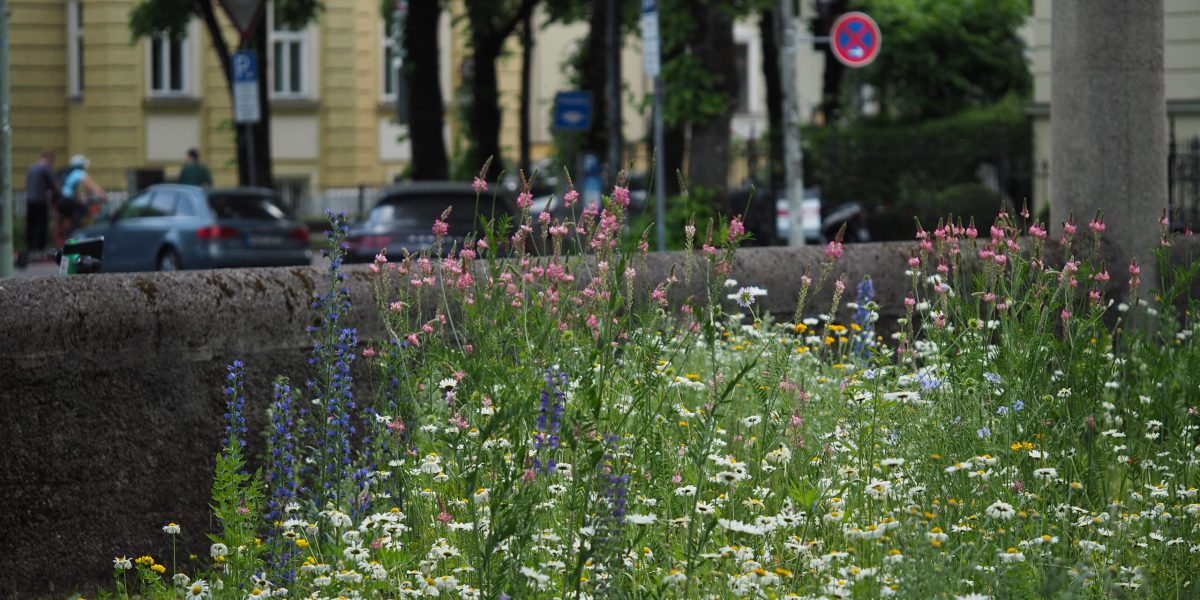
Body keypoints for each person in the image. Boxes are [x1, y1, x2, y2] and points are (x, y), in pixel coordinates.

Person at [18, 151, 61, 267]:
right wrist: (59, 192)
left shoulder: (32, 168)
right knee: (41, 224)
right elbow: (54, 184)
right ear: (50, 159)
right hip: (40, 200)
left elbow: (26, 184)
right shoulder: (45, 168)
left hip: (30, 200)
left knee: (31, 224)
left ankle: (31, 247)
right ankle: (40, 249)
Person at [57, 154, 107, 244]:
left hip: (62, 200)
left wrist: (81, 198)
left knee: (76, 212)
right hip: (68, 200)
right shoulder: (80, 173)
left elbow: (72, 190)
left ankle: (69, 233)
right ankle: (76, 234)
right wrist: (102, 195)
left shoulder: (70, 173)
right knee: (83, 211)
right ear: (80, 165)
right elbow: (92, 186)